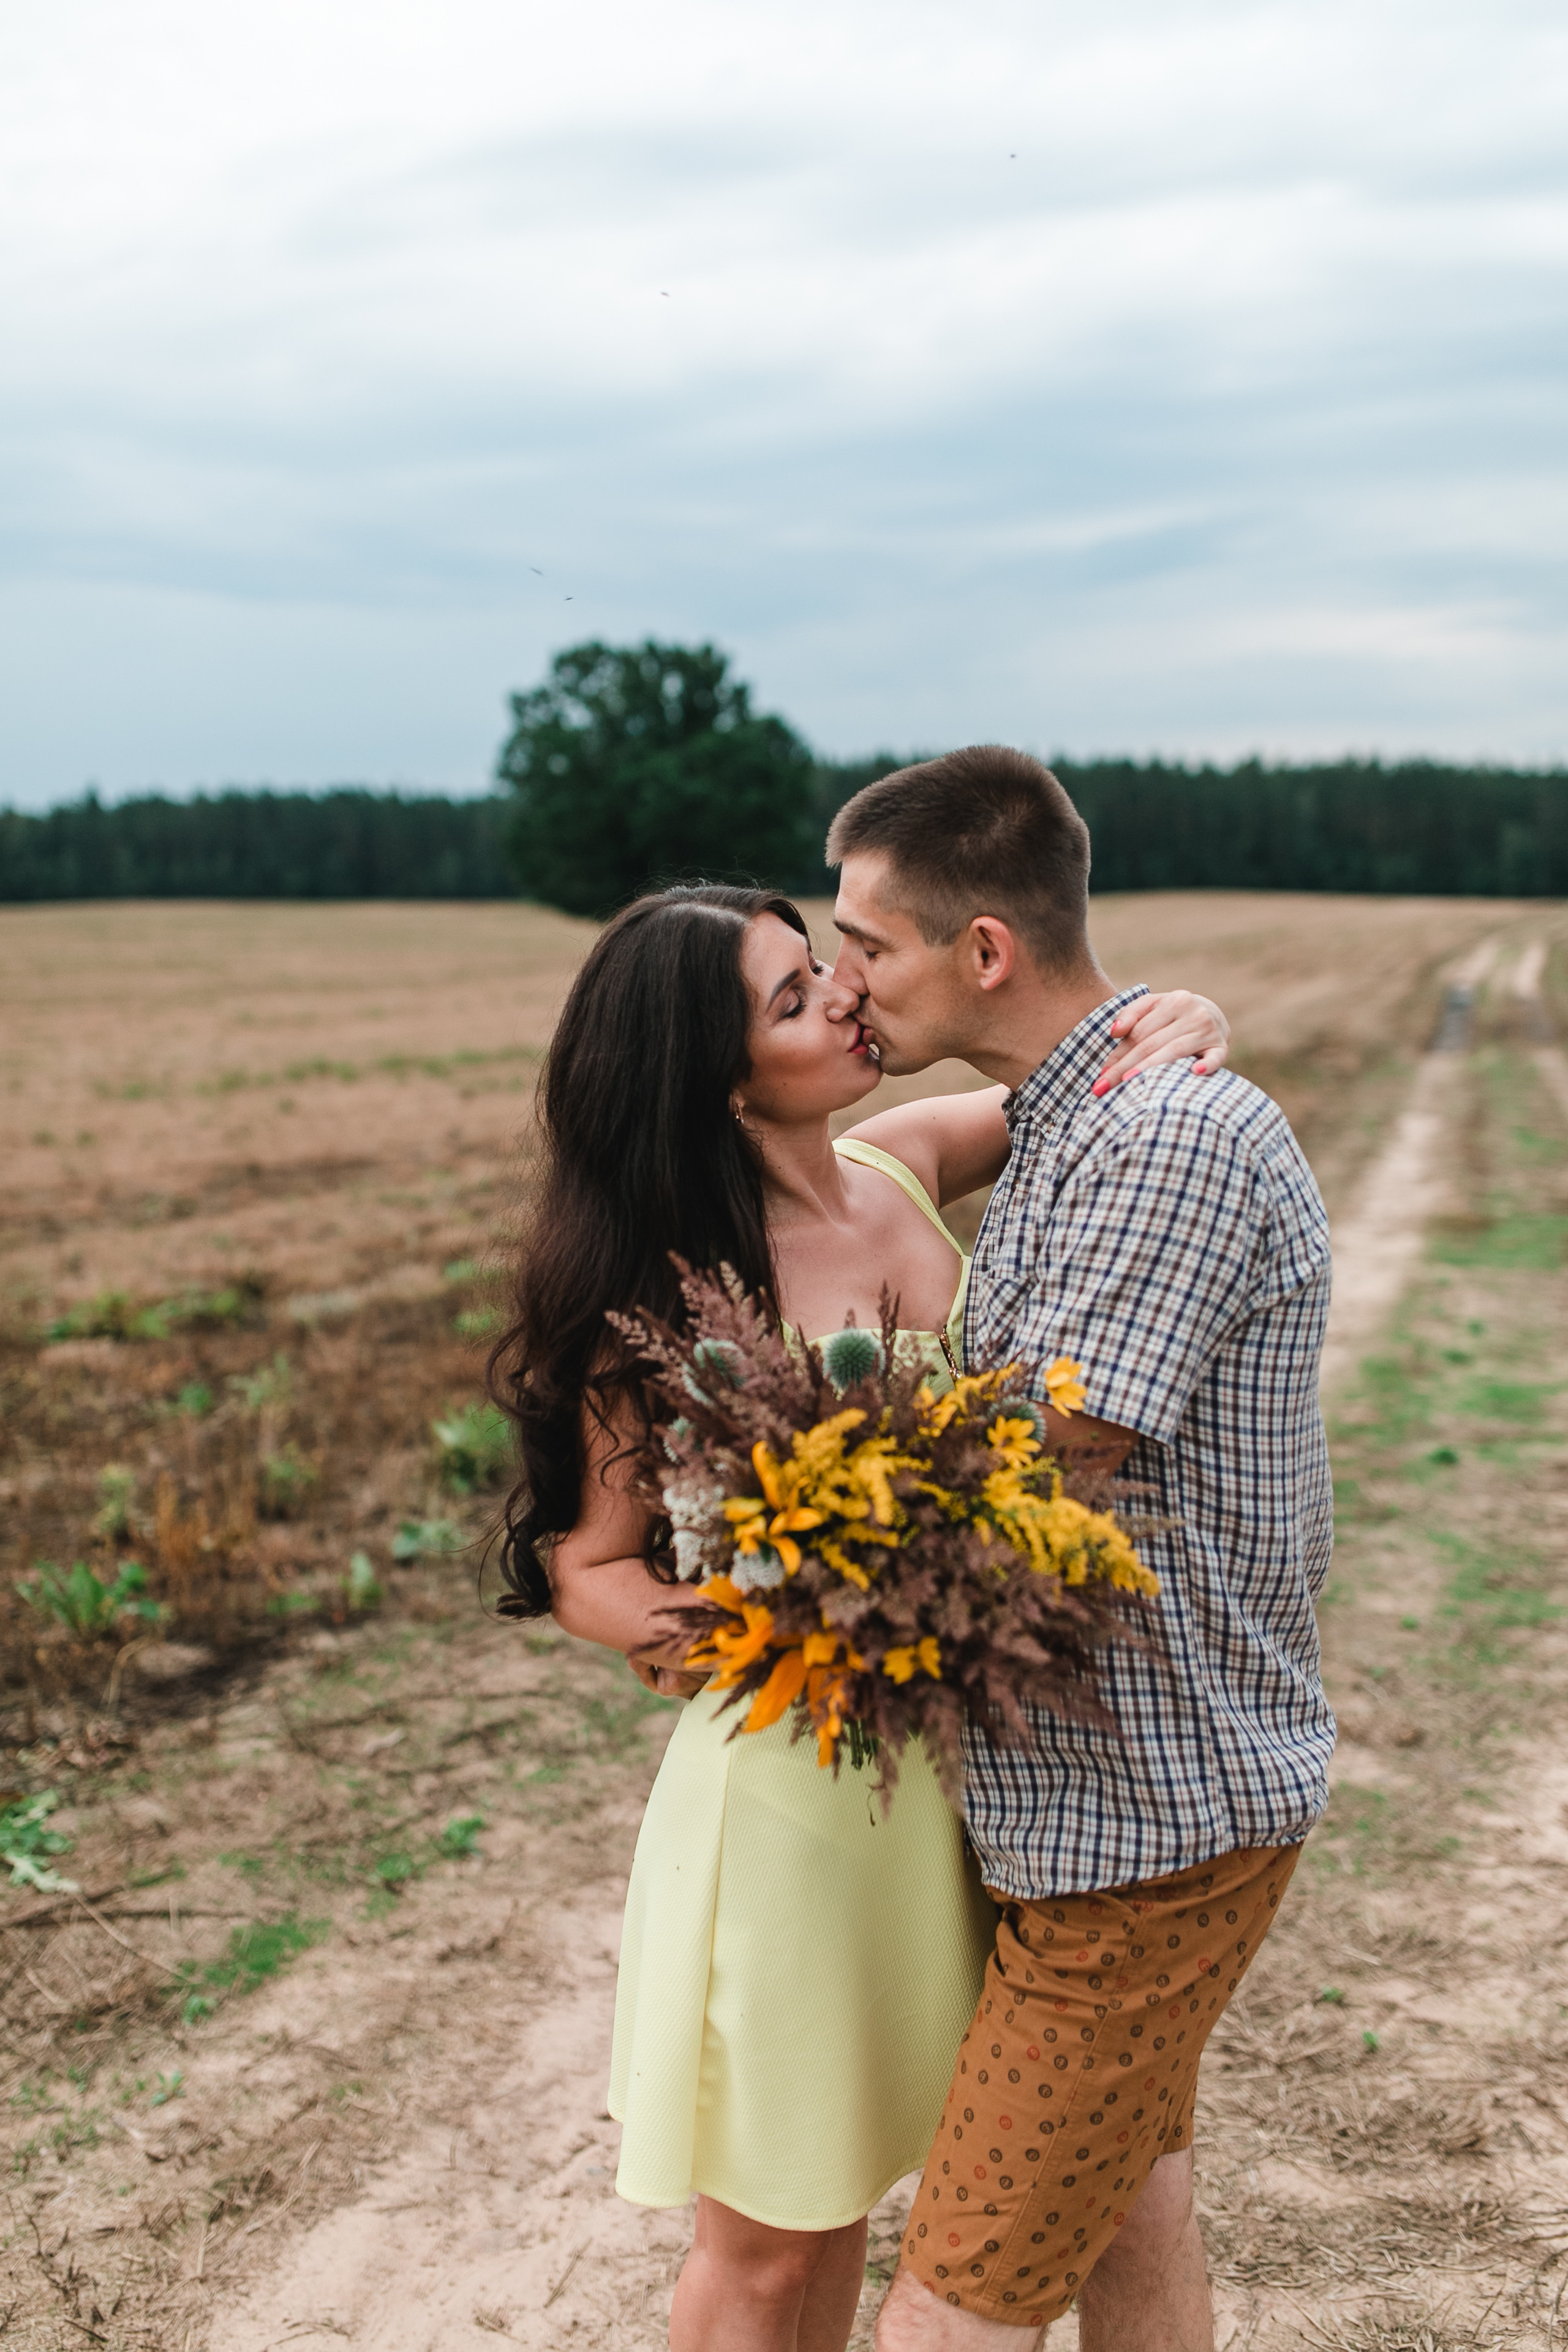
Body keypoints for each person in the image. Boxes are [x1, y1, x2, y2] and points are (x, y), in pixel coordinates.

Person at [487, 882, 1233, 2352]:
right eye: (791, 998)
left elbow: (1077, 1074)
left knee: (973, 2182)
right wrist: (756, 1636)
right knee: (778, 2241)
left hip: (984, 1792)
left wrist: (1185, 1018)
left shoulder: (900, 1160)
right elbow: (588, 1565)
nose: (843, 992)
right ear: (716, 1080)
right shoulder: (671, 1297)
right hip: (802, 1809)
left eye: (822, 963)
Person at [818, 748, 1335, 2352]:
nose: (846, 982)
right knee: (1131, 2213)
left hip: (1152, 1821)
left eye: (866, 945)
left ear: (983, 949)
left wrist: (768, 1515)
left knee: (946, 2315)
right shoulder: (1067, 1117)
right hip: (1079, 1806)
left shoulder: (1166, 1138)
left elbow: (1046, 1456)